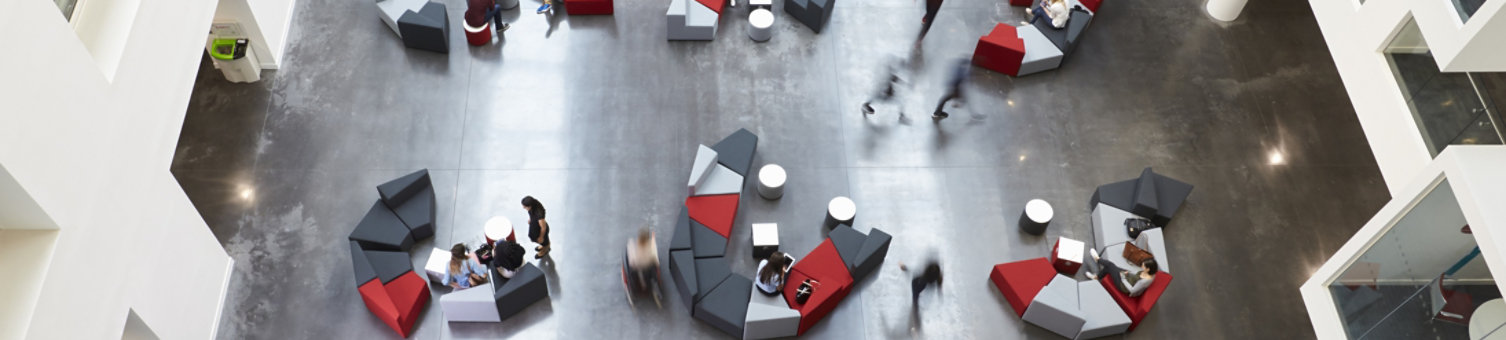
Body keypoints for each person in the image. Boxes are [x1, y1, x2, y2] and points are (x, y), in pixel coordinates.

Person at [1085, 248, 1158, 297]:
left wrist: (1123, 278)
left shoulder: (1144, 281)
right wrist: (1128, 272)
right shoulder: (1152, 273)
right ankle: (1097, 276)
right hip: (1128, 277)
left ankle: (1097, 259)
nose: (1142, 265)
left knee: (1110, 265)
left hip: (1124, 286)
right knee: (1109, 267)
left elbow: (1132, 290)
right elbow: (1136, 275)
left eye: (1144, 265)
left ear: (1148, 269)